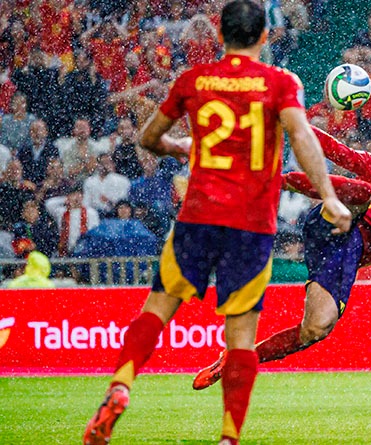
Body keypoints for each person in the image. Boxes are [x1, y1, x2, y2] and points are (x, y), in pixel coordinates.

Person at [82, 3, 351, 445]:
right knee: (241, 337)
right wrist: (329, 197)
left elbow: (148, 138)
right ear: (264, 37)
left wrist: (182, 146)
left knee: (157, 309)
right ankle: (228, 436)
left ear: (219, 36)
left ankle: (121, 385)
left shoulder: (194, 80)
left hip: (198, 218)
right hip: (250, 226)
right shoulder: (281, 83)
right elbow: (301, 136)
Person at [191, 126, 371, 391]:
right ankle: (275, 181)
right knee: (363, 193)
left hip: (344, 255)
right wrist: (295, 122)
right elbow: (336, 151)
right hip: (327, 225)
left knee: (316, 328)